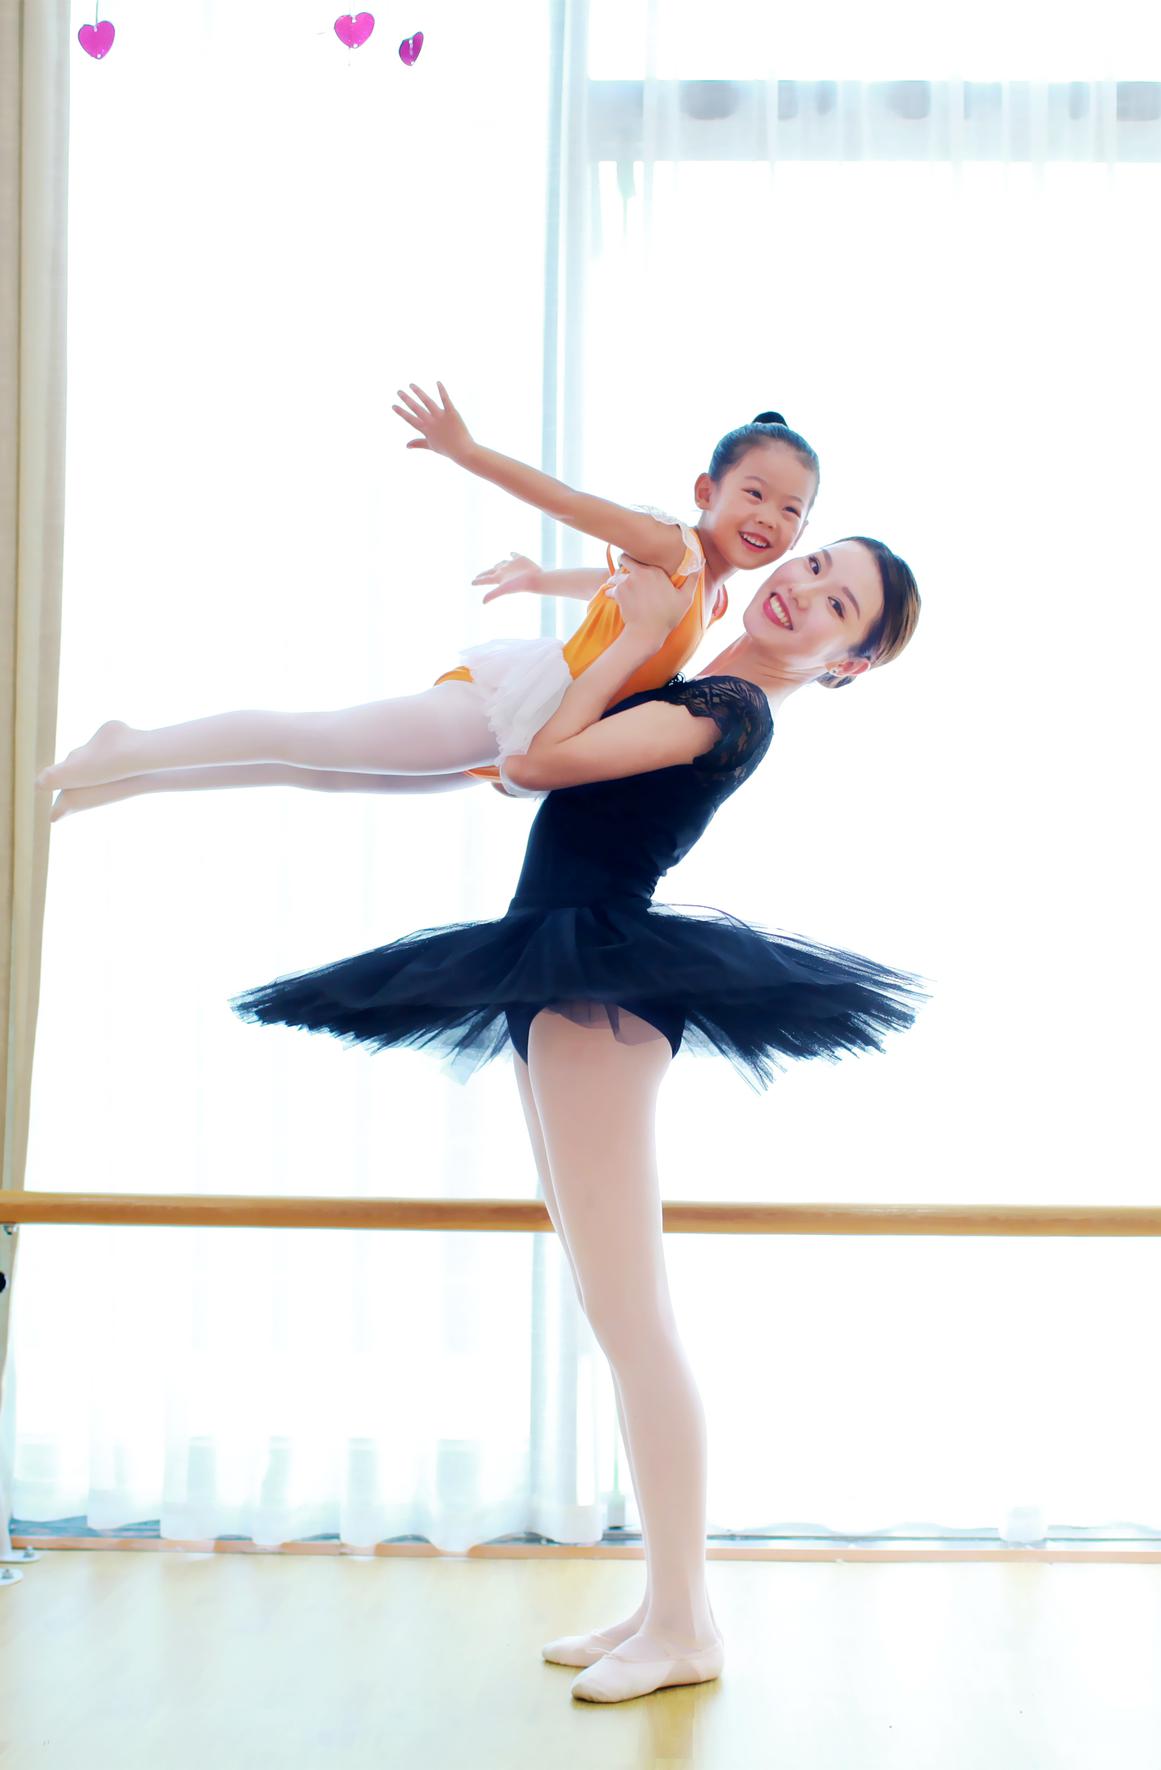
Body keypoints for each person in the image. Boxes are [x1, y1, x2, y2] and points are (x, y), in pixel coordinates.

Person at [229, 538, 925, 1704]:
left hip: (598, 979)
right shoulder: (706, 675)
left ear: (846, 662)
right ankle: (664, 1608)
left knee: (635, 1321)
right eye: (811, 563)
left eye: (835, 601)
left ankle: (687, 1625)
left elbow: (537, 763)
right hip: (557, 965)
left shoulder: (728, 707)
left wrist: (626, 642)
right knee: (618, 1317)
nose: (799, 586)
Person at [34, 382, 819, 810]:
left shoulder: (709, 597)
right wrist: (467, 452)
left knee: (322, 774)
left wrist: (541, 579)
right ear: (707, 491)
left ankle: (134, 776)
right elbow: (572, 503)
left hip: (534, 720)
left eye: (791, 510)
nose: (768, 518)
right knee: (313, 741)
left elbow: (610, 589)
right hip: (516, 706)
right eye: (754, 493)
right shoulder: (675, 546)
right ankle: (133, 747)